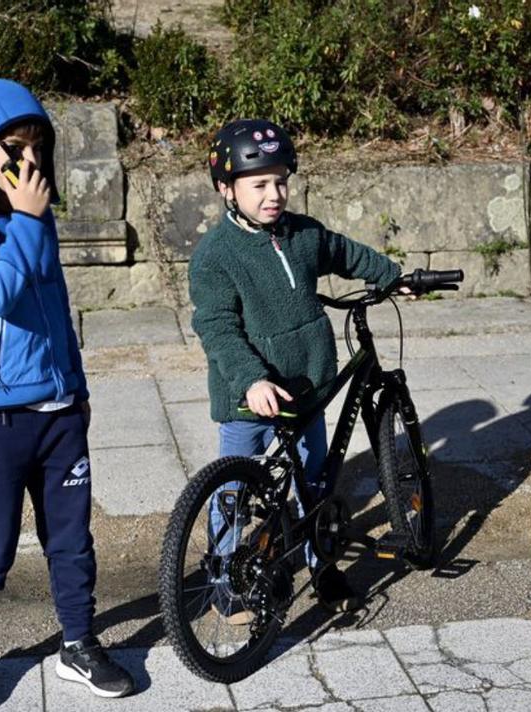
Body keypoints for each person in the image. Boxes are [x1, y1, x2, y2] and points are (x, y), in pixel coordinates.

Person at [0, 78, 134, 709]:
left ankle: (77, 644)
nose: (27, 161)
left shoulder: (35, 218)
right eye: (12, 147)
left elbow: (54, 310)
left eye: (37, 147)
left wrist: (77, 389)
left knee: (72, 541)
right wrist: (25, 219)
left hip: (58, 415)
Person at [188, 119, 403, 621]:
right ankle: (223, 580)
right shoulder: (215, 256)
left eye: (281, 181)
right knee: (231, 496)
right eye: (259, 184)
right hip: (250, 397)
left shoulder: (302, 234)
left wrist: (393, 276)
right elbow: (217, 326)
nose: (274, 193)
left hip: (309, 388)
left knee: (314, 480)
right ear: (227, 189)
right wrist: (250, 379)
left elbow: (344, 253)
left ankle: (321, 565)